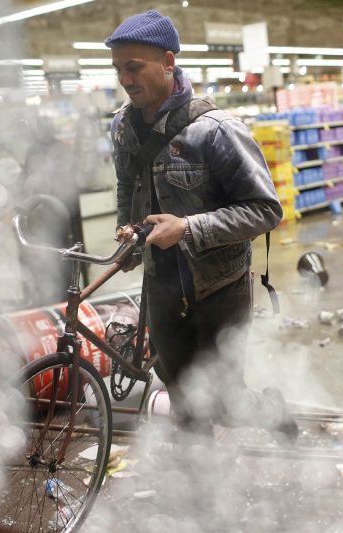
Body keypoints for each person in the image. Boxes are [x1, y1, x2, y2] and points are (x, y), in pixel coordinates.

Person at [105, 10, 297, 443]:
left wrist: (188, 228)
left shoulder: (216, 131)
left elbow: (266, 210)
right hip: (162, 289)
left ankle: (271, 409)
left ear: (168, 62)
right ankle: (203, 495)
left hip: (218, 289)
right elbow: (126, 185)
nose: (125, 79)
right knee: (184, 401)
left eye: (134, 67)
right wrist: (128, 231)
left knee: (226, 402)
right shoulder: (122, 127)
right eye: (119, 69)